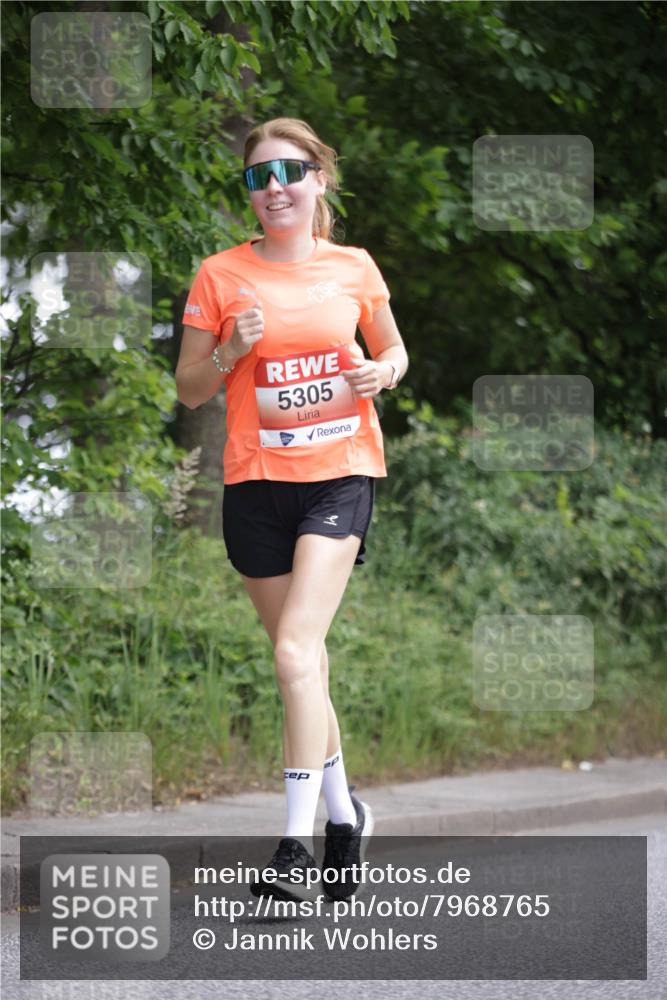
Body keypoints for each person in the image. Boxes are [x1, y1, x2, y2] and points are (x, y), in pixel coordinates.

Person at [176, 117, 408, 903]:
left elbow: (394, 349)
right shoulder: (219, 274)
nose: (274, 188)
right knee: (301, 663)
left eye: (289, 172)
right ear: (249, 192)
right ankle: (346, 816)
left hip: (339, 474)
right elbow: (190, 389)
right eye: (258, 177)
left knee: (293, 652)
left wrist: (382, 373)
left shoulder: (353, 266)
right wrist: (230, 352)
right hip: (255, 485)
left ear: (319, 180)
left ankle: (294, 845)